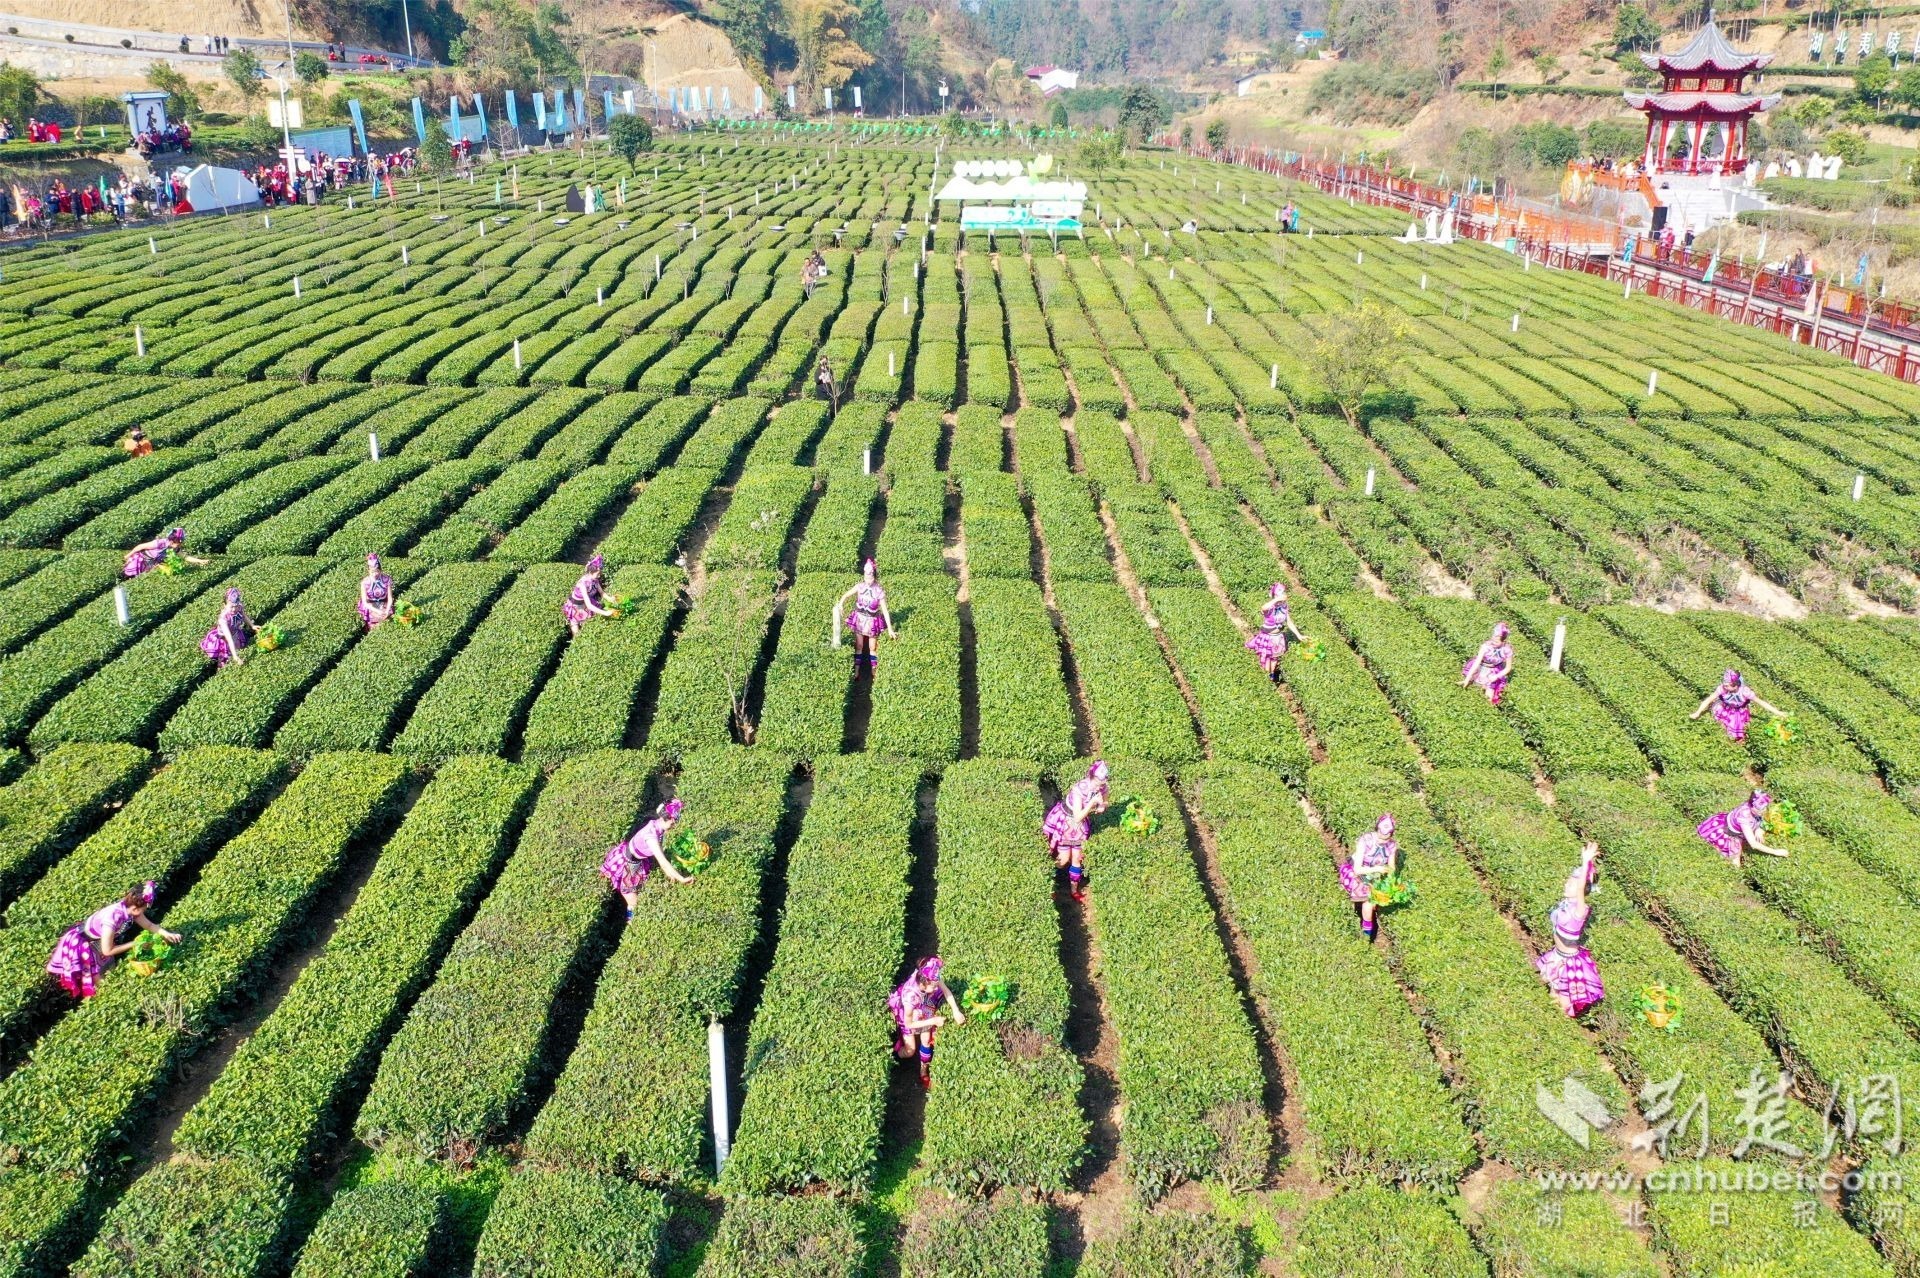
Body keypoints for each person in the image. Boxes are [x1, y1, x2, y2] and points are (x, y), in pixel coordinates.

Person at [46, 881, 180, 999]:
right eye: (142, 910)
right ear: (135, 908)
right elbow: (108, 950)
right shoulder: (112, 918)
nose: (142, 913)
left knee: (109, 970)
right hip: (82, 944)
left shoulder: (129, 909)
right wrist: (136, 943)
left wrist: (166, 933)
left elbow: (149, 925)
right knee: (100, 982)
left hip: (97, 940)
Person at [1537, 845, 1604, 1018]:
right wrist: (1587, 866)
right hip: (1557, 955)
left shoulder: (1579, 910)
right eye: (1568, 881)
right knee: (1552, 995)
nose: (1566, 884)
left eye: (1572, 884)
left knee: (1564, 1006)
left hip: (1569, 964)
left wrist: (1586, 860)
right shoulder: (1565, 904)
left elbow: (1581, 886)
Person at [600, 798, 691, 918]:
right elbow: (662, 861)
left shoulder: (657, 825)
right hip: (629, 866)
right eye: (673, 823)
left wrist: (670, 874)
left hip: (635, 858)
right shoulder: (651, 836)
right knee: (632, 903)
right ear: (665, 818)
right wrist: (681, 878)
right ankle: (630, 922)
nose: (674, 826)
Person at [888, 956, 964, 1091]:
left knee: (926, 1038)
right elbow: (909, 1023)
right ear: (924, 983)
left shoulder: (930, 974)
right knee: (910, 1051)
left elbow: (946, 991)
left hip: (922, 1005)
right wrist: (934, 1020)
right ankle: (895, 1054)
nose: (937, 988)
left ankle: (923, 1071)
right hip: (908, 1015)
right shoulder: (910, 998)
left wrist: (956, 1011)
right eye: (934, 986)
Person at [1042, 761, 1111, 901]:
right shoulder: (1079, 789)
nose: (1102, 784)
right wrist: (1092, 804)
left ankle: (1074, 890)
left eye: (1104, 781)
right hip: (1067, 823)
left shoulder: (1102, 788)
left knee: (1077, 859)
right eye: (1099, 781)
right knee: (1063, 860)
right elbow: (1078, 816)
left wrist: (1102, 806)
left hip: (1079, 828)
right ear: (1092, 777)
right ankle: (1047, 882)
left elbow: (1105, 801)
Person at [1339, 812, 1398, 942]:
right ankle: (1367, 933)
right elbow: (1357, 869)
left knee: (1378, 897)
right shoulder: (1365, 840)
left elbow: (1392, 866)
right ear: (1377, 830)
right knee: (1369, 899)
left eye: (1386, 839)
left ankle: (1368, 926)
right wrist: (1376, 869)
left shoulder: (1392, 845)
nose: (1383, 842)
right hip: (1356, 873)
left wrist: (1390, 878)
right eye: (1381, 839)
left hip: (1375, 876)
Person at [1690, 668, 1787, 743]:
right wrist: (1697, 712)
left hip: (1739, 711)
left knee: (1735, 729)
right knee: (1721, 720)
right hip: (1725, 708)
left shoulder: (1745, 692)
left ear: (1736, 685)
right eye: (1724, 685)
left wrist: (1778, 712)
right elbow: (1709, 699)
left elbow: (1761, 703)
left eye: (1727, 685)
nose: (1725, 687)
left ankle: (1739, 740)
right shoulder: (1722, 689)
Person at [1697, 788, 1788, 866]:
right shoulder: (1744, 816)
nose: (1763, 811)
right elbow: (1754, 844)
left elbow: (1764, 819)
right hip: (1730, 833)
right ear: (1751, 806)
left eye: (1764, 808)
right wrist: (1776, 852)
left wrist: (1759, 829)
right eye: (1759, 809)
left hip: (1739, 826)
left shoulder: (1756, 808)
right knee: (1735, 862)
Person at [836, 558, 894, 675]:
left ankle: (873, 671)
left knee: (872, 647)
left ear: (874, 576)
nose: (868, 580)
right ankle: (857, 670)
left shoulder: (879, 591)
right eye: (866, 578)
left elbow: (885, 611)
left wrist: (891, 630)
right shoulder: (860, 587)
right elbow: (846, 595)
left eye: (870, 578)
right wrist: (841, 604)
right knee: (859, 645)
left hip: (872, 621)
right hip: (860, 619)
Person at [1244, 582, 1308, 681]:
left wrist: (1299, 635)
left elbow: (1289, 622)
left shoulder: (1284, 607)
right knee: (1266, 660)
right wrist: (1276, 599)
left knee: (1275, 659)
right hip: (1268, 637)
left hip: (1278, 637)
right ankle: (1267, 678)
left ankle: (1272, 677)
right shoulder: (1270, 608)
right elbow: (1263, 607)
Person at [1460, 621, 1514, 706]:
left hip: (1494, 671)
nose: (1494, 643)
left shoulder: (1507, 650)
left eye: (1496, 642)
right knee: (1471, 688)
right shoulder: (1486, 646)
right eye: (1493, 640)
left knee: (1489, 696)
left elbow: (1508, 668)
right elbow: (1477, 663)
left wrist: (1496, 676)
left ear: (1503, 641)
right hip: (1481, 668)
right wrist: (1467, 679)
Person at [200, 587, 255, 668]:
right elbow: (229, 638)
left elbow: (243, 615)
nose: (233, 609)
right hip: (225, 639)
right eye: (231, 606)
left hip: (236, 633)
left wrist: (252, 625)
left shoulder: (238, 607)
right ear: (224, 605)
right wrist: (235, 657)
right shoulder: (223, 619)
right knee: (225, 661)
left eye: (235, 606)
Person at [562, 554, 614, 638]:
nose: (599, 576)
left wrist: (610, 598)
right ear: (590, 572)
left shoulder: (595, 580)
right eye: (598, 574)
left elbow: (602, 593)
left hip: (587, 602)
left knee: (589, 620)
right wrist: (605, 613)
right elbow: (589, 605)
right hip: (576, 605)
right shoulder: (583, 584)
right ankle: (575, 640)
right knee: (575, 624)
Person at [123, 527, 202, 577]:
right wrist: (128, 555)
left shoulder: (175, 548)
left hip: (153, 565)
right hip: (141, 562)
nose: (181, 543)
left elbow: (185, 557)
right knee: (129, 575)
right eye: (180, 541)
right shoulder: (160, 543)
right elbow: (140, 546)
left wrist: (200, 561)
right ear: (174, 540)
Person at [358, 552, 395, 628]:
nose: (375, 574)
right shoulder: (365, 583)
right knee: (376, 623)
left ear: (380, 570)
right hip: (370, 606)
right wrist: (377, 611)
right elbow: (365, 602)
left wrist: (387, 609)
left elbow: (390, 598)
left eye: (377, 571)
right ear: (369, 571)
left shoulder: (386, 579)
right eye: (372, 572)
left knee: (388, 618)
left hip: (383, 603)